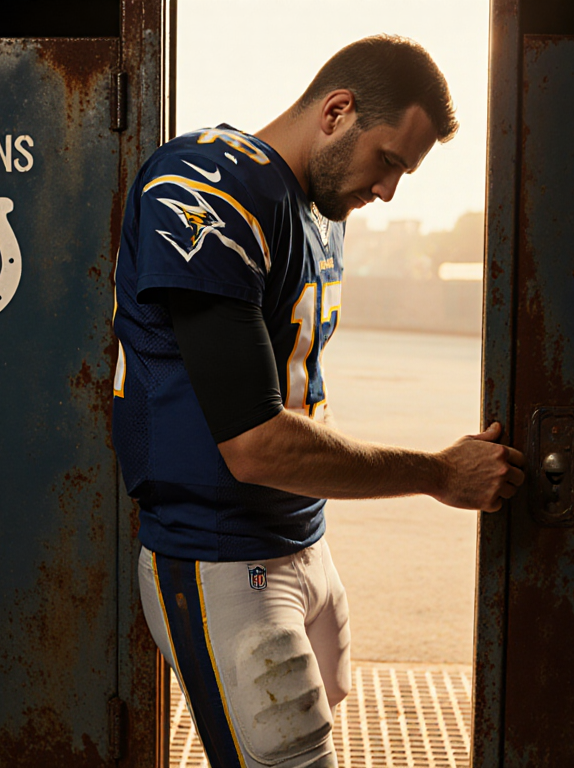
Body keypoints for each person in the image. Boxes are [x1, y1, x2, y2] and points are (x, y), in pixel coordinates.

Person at [111, 35, 525, 768]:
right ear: (337, 111)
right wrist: (436, 472)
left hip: (304, 539)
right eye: (389, 160)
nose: (391, 189)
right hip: (221, 552)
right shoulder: (206, 182)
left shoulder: (317, 208)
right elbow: (254, 443)